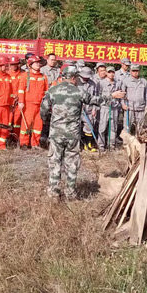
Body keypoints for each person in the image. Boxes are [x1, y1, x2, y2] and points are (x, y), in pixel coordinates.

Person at [41, 65, 125, 200]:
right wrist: (112, 95)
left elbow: (44, 111)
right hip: (72, 135)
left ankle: (53, 193)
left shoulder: (52, 90)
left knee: (55, 161)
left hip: (56, 134)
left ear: (63, 77)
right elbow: (95, 100)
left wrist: (47, 122)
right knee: (72, 162)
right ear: (74, 78)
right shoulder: (79, 92)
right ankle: (70, 192)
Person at [18, 55, 48, 149]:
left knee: (38, 126)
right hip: (28, 105)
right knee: (26, 124)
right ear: (30, 64)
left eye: (39, 62)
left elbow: (46, 92)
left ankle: (35, 143)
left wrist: (46, 104)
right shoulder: (25, 76)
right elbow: (21, 90)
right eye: (36, 63)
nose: (38, 64)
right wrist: (21, 102)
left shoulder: (43, 77)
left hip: (40, 105)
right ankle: (24, 143)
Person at [97, 66, 120, 151]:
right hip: (104, 108)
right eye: (109, 72)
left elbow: (120, 95)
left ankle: (111, 145)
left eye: (112, 72)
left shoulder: (117, 83)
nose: (111, 74)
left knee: (113, 127)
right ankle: (101, 145)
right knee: (102, 127)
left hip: (114, 108)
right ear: (106, 73)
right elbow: (98, 95)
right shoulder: (101, 83)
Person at [77, 66, 99, 152]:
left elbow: (95, 97)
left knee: (89, 127)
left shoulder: (93, 84)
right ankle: (77, 146)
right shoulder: (77, 82)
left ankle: (87, 145)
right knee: (77, 128)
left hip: (89, 109)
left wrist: (94, 108)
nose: (86, 78)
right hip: (78, 109)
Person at [121, 63, 147, 132]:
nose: (135, 72)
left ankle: (140, 142)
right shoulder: (126, 81)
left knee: (141, 128)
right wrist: (123, 104)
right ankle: (126, 142)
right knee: (127, 128)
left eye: (137, 71)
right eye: (133, 71)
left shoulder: (144, 81)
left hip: (141, 109)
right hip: (129, 109)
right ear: (130, 71)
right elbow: (122, 94)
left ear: (139, 71)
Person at [8, 56, 24, 137]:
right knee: (8, 119)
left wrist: (18, 97)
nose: (13, 66)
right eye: (12, 64)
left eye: (15, 64)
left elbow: (22, 88)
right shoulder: (7, 74)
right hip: (9, 101)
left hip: (18, 101)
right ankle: (7, 136)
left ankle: (15, 137)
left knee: (17, 120)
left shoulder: (22, 75)